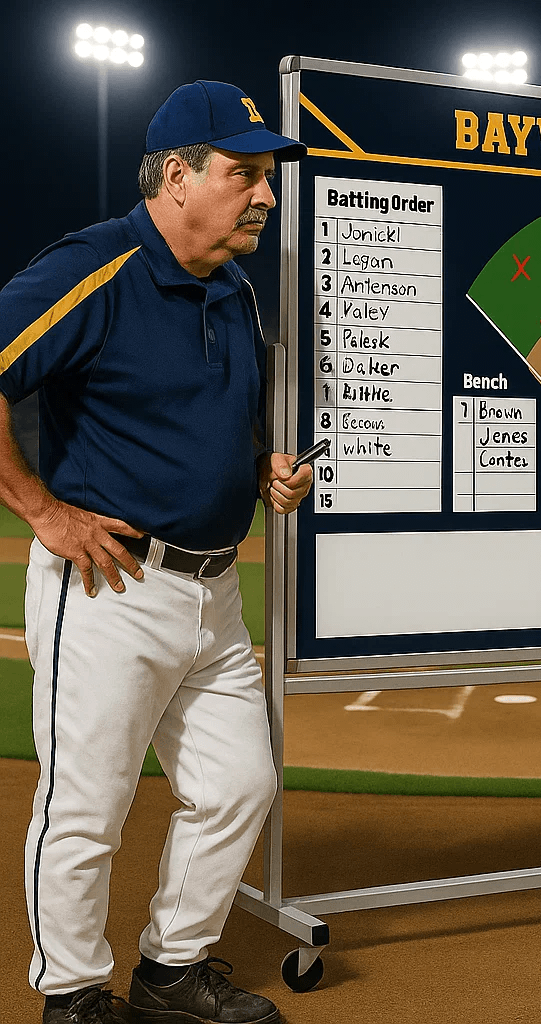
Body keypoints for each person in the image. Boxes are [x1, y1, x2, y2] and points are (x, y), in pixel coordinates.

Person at [0, 81, 311, 1024]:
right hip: (109, 587)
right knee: (86, 807)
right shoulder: (92, 267)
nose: (264, 194)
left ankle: (172, 970)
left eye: (267, 177)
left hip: (214, 597)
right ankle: (73, 993)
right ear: (176, 177)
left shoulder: (235, 287)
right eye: (243, 173)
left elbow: (205, 418)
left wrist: (265, 468)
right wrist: (43, 511)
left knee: (240, 787)